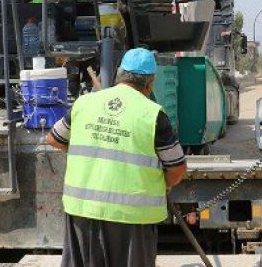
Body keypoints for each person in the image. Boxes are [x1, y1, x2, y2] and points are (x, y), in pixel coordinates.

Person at [47, 48, 187, 267]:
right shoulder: (152, 114)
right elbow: (177, 169)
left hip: (82, 211)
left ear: (119, 75)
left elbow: (54, 139)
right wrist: (165, 185)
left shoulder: (85, 103)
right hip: (131, 218)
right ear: (150, 83)